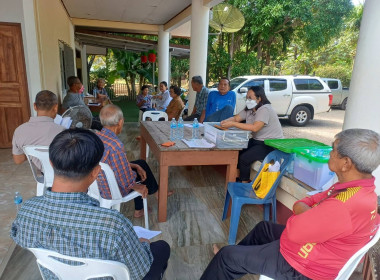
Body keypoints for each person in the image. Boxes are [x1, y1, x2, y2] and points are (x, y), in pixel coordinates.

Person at [201, 128, 380, 280]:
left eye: (333, 150)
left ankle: (229, 263)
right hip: (316, 250)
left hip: (303, 267)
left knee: (226, 257)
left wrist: (304, 210)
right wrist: (307, 210)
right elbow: (313, 199)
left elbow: (294, 229)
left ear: (346, 163)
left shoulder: (344, 205)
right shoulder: (359, 189)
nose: (330, 154)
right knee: (263, 228)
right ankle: (234, 265)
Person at [11, 128, 170, 280]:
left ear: (51, 163)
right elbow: (138, 272)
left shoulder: (26, 211)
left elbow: (18, 236)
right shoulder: (113, 224)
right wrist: (142, 245)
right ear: (95, 173)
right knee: (162, 247)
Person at [96, 104, 171, 218]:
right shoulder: (115, 145)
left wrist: (134, 165)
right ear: (121, 122)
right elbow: (124, 178)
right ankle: (140, 209)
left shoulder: (96, 137)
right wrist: (135, 185)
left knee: (140, 164)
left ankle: (156, 193)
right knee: (138, 177)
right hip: (112, 189)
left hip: (98, 185)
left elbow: (109, 163)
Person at [221, 86, 283, 182]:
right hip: (257, 141)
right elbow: (237, 118)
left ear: (259, 98)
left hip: (269, 144)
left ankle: (244, 183)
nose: (248, 100)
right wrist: (225, 121)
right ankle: (236, 177)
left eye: (250, 97)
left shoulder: (264, 109)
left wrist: (233, 124)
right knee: (237, 152)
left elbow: (255, 128)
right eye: (247, 98)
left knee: (244, 159)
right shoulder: (250, 109)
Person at [12, 90, 65, 170]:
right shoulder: (62, 131)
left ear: (35, 106)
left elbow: (18, 160)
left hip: (44, 177)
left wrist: (33, 153)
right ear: (55, 107)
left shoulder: (19, 131)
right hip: (64, 176)